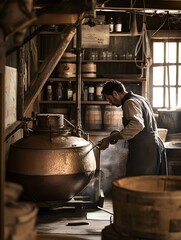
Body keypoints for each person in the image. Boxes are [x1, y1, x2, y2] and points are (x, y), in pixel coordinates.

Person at [98, 80, 168, 176]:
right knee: (151, 183)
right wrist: (117, 134)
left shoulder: (129, 102)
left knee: (139, 183)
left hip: (144, 150)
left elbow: (137, 125)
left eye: (109, 99)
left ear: (115, 93)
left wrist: (109, 138)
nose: (110, 102)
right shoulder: (140, 98)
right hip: (153, 145)